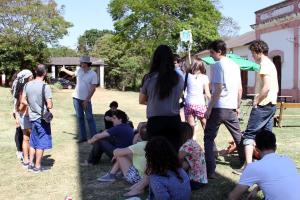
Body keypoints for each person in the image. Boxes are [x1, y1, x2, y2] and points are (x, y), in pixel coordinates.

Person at [204, 40, 244, 179]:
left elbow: (218, 89)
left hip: (218, 107)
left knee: (208, 138)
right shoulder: (235, 65)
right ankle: (244, 162)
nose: (211, 55)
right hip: (231, 107)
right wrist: (237, 105)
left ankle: (210, 170)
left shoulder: (217, 65)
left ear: (219, 52)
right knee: (238, 136)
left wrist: (209, 108)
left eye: (212, 52)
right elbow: (240, 89)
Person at [228, 130, 300, 200]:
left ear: (256, 148)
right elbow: (276, 179)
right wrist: (257, 188)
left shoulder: (254, 167)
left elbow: (233, 197)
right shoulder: (287, 160)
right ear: (275, 147)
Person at [139, 45, 184, 151]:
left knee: (155, 157)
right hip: (174, 121)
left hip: (155, 122)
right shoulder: (179, 78)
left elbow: (141, 100)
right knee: (173, 155)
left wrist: (153, 102)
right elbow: (178, 97)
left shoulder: (149, 78)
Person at [242, 40, 279, 166]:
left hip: (263, 104)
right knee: (266, 137)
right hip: (270, 104)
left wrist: (256, 100)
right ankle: (267, 164)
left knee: (249, 134)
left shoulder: (264, 64)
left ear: (259, 51)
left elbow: (267, 86)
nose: (252, 55)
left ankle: (248, 166)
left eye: (253, 52)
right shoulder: (269, 63)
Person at [22, 64, 53, 173]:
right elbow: (49, 105)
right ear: (45, 73)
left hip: (32, 117)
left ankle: (30, 164)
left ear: (36, 72)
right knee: (41, 142)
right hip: (42, 118)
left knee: (33, 141)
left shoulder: (27, 85)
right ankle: (37, 166)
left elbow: (23, 100)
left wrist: (32, 105)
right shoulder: (45, 86)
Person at [60, 56, 98, 143]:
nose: (80, 63)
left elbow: (93, 89)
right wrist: (64, 69)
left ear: (86, 63)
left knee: (89, 118)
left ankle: (95, 138)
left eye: (81, 62)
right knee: (80, 118)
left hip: (86, 100)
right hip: (76, 98)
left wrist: (86, 100)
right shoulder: (79, 70)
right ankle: (83, 137)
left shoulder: (93, 74)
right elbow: (73, 74)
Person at [184, 57, 211, 135]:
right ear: (201, 66)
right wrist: (214, 102)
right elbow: (207, 93)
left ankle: (191, 144)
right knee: (205, 124)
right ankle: (209, 142)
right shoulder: (204, 77)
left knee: (191, 127)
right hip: (200, 104)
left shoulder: (187, 76)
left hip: (189, 104)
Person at [178, 122, 207, 190]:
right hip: (202, 179)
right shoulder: (193, 142)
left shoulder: (186, 146)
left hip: (195, 181)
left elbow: (176, 162)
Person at [14, 69, 34, 167]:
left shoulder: (19, 87)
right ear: (27, 77)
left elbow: (18, 103)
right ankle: (31, 159)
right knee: (31, 138)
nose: (32, 77)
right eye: (31, 76)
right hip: (27, 116)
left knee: (25, 138)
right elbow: (23, 102)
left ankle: (26, 159)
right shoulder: (27, 87)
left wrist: (18, 112)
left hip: (22, 115)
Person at [10, 71, 23, 160]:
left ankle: (20, 150)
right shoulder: (17, 83)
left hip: (18, 109)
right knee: (19, 129)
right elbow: (16, 99)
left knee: (21, 130)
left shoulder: (16, 83)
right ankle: (19, 150)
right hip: (18, 109)